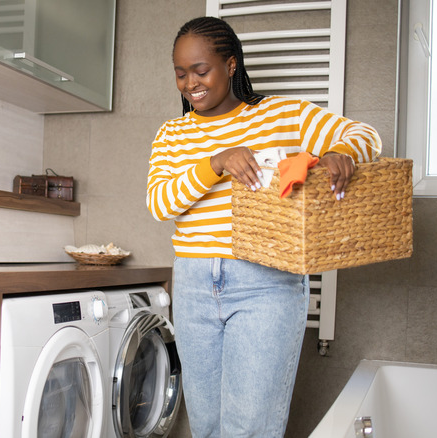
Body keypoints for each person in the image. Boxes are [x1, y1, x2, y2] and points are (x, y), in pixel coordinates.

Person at [146, 16, 381, 437]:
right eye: (181, 74)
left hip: (265, 283)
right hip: (194, 285)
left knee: (248, 428)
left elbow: (366, 136)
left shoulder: (280, 115)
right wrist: (215, 163)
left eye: (201, 71)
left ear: (231, 65)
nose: (190, 83)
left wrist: (342, 152)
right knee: (206, 427)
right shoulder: (171, 135)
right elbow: (160, 203)